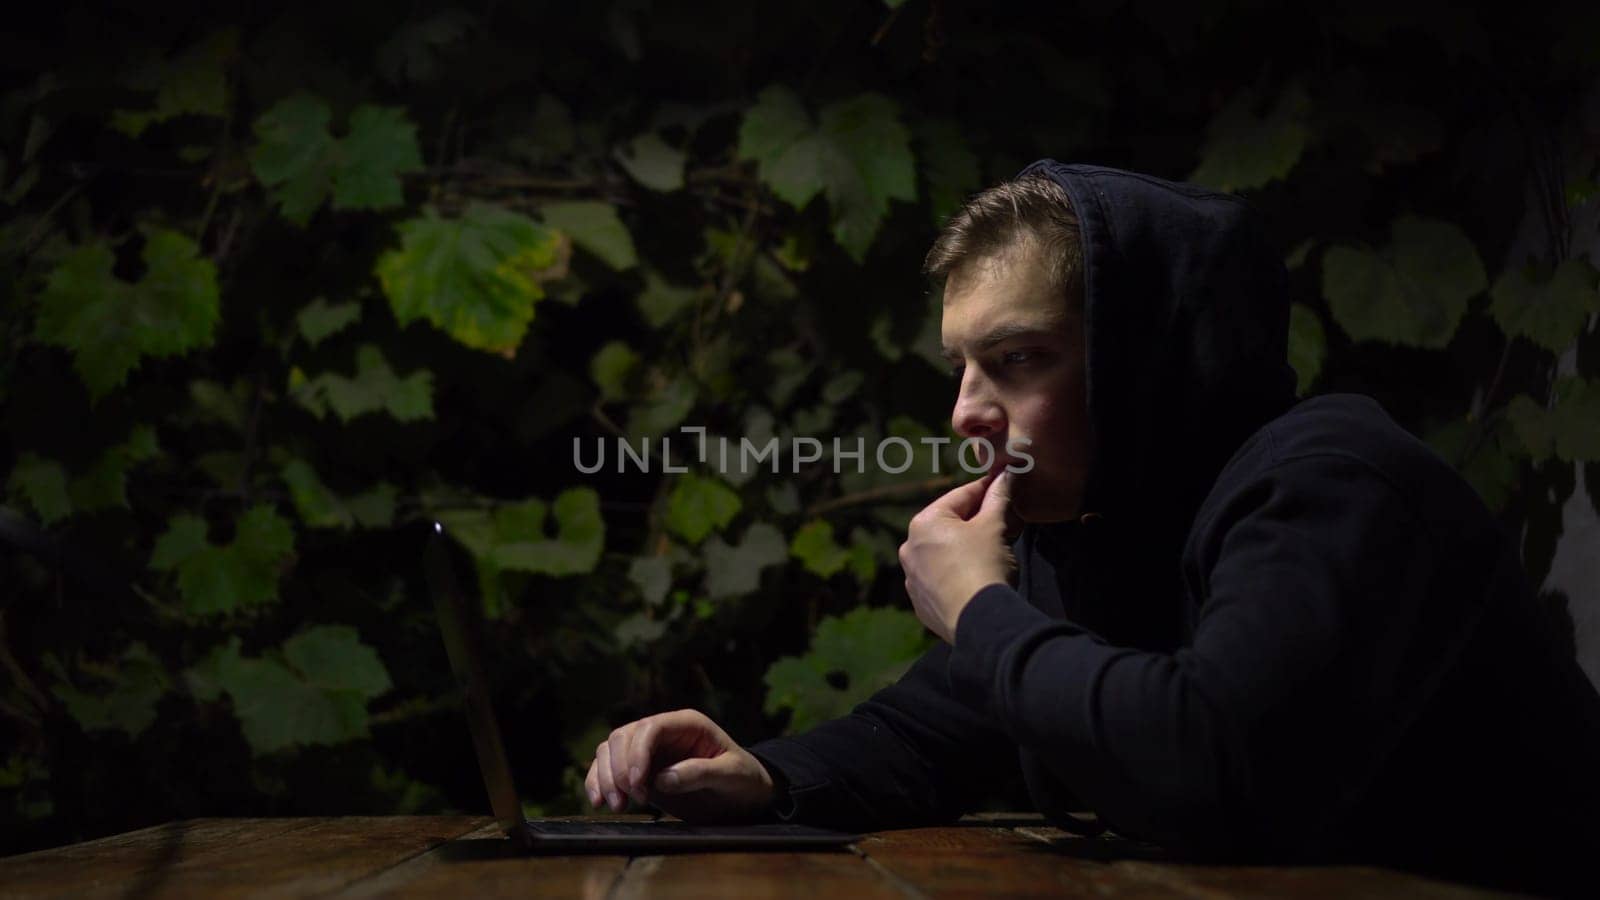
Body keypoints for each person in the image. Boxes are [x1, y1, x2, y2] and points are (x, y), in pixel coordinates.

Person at [584, 161, 1600, 895]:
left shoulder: (1334, 486)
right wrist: (766, 775)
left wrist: (978, 608)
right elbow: (931, 732)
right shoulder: (1101, 525)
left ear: (1142, 360)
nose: (964, 412)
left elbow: (1205, 762)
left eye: (1019, 359)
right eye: (960, 367)